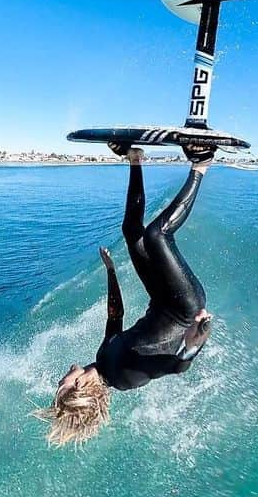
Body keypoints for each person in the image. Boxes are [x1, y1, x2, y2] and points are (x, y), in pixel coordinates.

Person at [34, 142, 214, 445]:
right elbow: (173, 367)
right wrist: (194, 343)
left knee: (131, 231)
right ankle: (201, 165)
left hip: (161, 299)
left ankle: (134, 159)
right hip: (184, 306)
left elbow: (114, 316)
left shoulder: (103, 360)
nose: (60, 380)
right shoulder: (124, 377)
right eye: (61, 385)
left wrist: (111, 272)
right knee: (157, 236)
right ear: (77, 386)